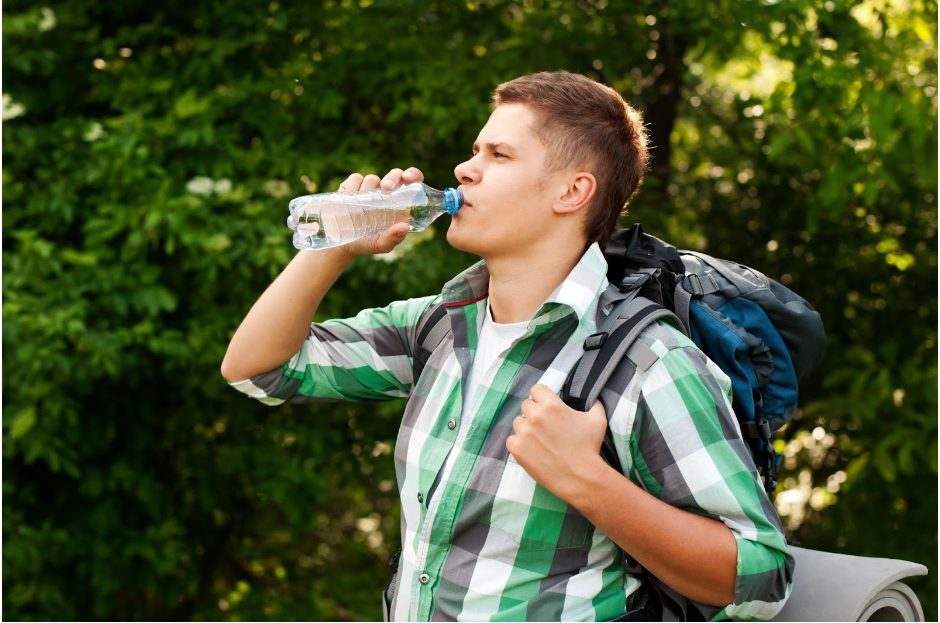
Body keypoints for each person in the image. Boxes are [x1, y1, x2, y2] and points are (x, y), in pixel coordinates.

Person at [221, 71, 793, 622]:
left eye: (499, 155)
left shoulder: (648, 361)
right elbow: (258, 370)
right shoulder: (441, 326)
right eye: (475, 151)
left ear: (572, 191)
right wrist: (335, 242)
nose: (464, 170)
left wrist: (586, 480)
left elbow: (762, 581)